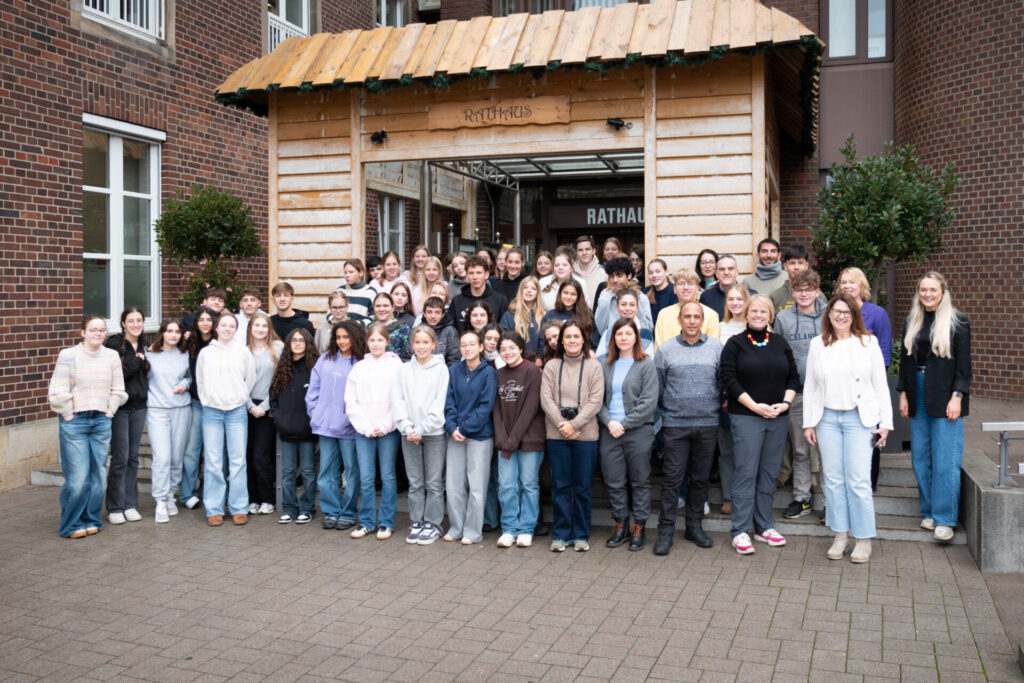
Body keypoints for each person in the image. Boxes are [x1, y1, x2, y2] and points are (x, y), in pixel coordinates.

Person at [804, 294, 892, 564]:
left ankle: (863, 539)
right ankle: (840, 535)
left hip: (858, 420)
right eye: (836, 311)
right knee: (832, 480)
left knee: (858, 481)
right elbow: (810, 386)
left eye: (846, 312)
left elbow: (880, 385)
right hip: (827, 419)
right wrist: (809, 421)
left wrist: (885, 423)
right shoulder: (818, 344)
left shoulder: (868, 342)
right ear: (828, 314)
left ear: (854, 315)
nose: (841, 316)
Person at [719, 294, 799, 554]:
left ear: (770, 315)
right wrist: (754, 406)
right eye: (753, 310)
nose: (757, 315)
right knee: (746, 472)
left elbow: (793, 377)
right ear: (746, 312)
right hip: (746, 416)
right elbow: (728, 379)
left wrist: (785, 404)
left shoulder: (779, 343)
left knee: (769, 472)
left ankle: (764, 525)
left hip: (777, 416)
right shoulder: (735, 344)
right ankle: (740, 530)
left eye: (763, 312)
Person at [897, 271, 971, 543]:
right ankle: (927, 512)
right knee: (920, 458)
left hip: (945, 393)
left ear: (943, 292)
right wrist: (903, 393)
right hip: (917, 392)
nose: (927, 294)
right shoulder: (912, 321)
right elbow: (905, 363)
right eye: (923, 290)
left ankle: (945, 519)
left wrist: (958, 395)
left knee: (945, 459)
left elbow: (964, 366)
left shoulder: (958, 321)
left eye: (933, 290)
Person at [48, 315, 128, 538]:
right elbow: (58, 388)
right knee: (78, 478)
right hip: (76, 422)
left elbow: (118, 389)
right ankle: (71, 525)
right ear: (83, 332)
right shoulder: (69, 355)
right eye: (93, 330)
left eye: (102, 330)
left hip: (102, 420)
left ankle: (91, 519)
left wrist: (110, 410)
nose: (98, 334)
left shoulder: (111, 356)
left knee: (98, 477)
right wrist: (67, 413)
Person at [652, 302, 722, 554]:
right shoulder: (666, 350)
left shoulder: (716, 348)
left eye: (696, 317)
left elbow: (722, 383)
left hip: (707, 424)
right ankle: (666, 530)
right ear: (679, 319)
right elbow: (658, 389)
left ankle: (694, 527)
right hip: (675, 426)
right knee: (672, 480)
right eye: (687, 317)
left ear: (703, 320)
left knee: (700, 479)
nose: (692, 321)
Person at [540, 320, 604, 552]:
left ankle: (581, 534)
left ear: (584, 340)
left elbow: (595, 401)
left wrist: (574, 424)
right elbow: (546, 398)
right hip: (557, 435)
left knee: (582, 487)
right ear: (561, 341)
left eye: (576, 337)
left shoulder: (593, 366)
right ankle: (561, 534)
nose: (572, 341)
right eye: (568, 337)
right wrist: (562, 424)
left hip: (585, 435)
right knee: (560, 486)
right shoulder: (551, 366)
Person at [599, 318, 658, 551]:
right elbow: (597, 400)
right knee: (614, 481)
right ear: (613, 338)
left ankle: (639, 527)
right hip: (609, 430)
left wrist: (623, 423)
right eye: (619, 334)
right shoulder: (605, 365)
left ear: (636, 337)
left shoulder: (646, 364)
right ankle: (620, 524)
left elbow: (649, 402)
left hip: (638, 431)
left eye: (628, 333)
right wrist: (609, 422)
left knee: (640, 480)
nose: (624, 338)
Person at [773, 270, 826, 520]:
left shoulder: (829, 315)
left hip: (827, 394)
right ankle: (802, 498)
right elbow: (778, 354)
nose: (803, 294)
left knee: (827, 451)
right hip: (797, 393)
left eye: (809, 289)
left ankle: (830, 502)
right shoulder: (783, 318)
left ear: (817, 291)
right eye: (799, 289)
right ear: (792, 292)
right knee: (800, 450)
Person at [196, 312, 256, 526]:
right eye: (224, 325)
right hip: (212, 411)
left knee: (238, 460)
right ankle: (214, 508)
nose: (228, 329)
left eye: (232, 326)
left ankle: (239, 506)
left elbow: (250, 379)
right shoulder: (206, 353)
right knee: (213, 462)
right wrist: (206, 400)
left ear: (236, 329)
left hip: (236, 411)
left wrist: (240, 397)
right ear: (217, 328)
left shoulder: (243, 352)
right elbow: (200, 381)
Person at [345, 323, 404, 539]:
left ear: (387, 341)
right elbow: (351, 401)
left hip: (388, 430)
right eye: (372, 340)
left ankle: (386, 523)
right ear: (367, 343)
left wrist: (386, 425)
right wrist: (367, 427)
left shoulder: (397, 366)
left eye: (380, 340)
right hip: (365, 431)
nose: (376, 344)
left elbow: (399, 398)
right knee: (367, 478)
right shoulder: (359, 368)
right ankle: (367, 522)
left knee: (388, 477)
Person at [393, 325, 450, 545]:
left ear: (433, 344)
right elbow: (397, 400)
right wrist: (408, 428)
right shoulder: (404, 369)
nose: (421, 346)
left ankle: (433, 524)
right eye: (418, 342)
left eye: (426, 342)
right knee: (415, 482)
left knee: (434, 482)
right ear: (412, 344)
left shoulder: (441, 369)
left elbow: (440, 403)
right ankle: (416, 521)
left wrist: (422, 428)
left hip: (433, 432)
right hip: (408, 434)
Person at [839, 266, 894, 492]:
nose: (847, 286)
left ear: (862, 286)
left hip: (869, 387)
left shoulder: (877, 313)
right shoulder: (836, 312)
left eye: (852, 282)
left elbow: (885, 352)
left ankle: (868, 485)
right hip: (841, 389)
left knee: (870, 435)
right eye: (843, 282)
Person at [307, 320, 364, 530]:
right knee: (327, 471)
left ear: (355, 337)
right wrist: (315, 413)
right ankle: (331, 510)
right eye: (338, 337)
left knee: (351, 471)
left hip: (349, 427)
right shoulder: (325, 358)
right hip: (325, 426)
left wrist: (352, 419)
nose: (342, 341)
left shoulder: (361, 362)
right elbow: (313, 389)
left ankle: (348, 512)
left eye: (346, 337)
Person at [444, 329, 498, 545]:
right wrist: (452, 427)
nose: (467, 348)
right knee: (454, 485)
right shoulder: (453, 370)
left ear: (481, 347)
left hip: (480, 436)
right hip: (455, 434)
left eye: (472, 344)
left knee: (477, 487)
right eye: (464, 345)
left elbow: (485, 408)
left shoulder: (488, 373)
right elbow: (448, 403)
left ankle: (473, 532)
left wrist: (465, 429)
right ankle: (456, 528)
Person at [493, 331, 546, 548]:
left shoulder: (532, 371)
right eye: (503, 349)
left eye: (512, 348)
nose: (508, 352)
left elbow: (530, 409)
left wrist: (512, 440)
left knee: (529, 484)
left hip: (529, 440)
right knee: (506, 485)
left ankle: (526, 529)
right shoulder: (498, 373)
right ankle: (509, 528)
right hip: (505, 442)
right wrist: (502, 437)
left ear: (521, 348)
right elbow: (495, 409)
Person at [270, 328, 319, 525]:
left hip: (307, 431)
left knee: (308, 471)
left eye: (302, 340)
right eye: (294, 340)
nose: (297, 343)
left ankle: (307, 508)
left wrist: (313, 422)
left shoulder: (314, 369)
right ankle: (289, 508)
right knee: (288, 471)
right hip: (287, 430)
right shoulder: (282, 369)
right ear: (288, 343)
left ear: (308, 344)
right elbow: (273, 399)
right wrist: (279, 419)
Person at [104, 307, 147, 525]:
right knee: (120, 457)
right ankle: (115, 506)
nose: (136, 324)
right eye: (131, 320)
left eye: (139, 320)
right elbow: (119, 373)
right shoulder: (113, 344)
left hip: (140, 407)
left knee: (132, 457)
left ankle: (130, 504)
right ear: (123, 323)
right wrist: (137, 361)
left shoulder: (146, 343)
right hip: (120, 407)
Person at [145, 320, 191, 524]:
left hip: (181, 408)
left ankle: (171, 494)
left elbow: (191, 377)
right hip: (157, 409)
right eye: (169, 331)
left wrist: (184, 384)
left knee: (176, 457)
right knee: (162, 457)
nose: (173, 335)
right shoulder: (150, 354)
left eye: (177, 332)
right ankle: (160, 500)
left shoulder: (185, 354)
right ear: (162, 333)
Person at [245, 312, 283, 516]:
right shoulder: (243, 351)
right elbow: (238, 382)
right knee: (248, 456)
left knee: (262, 456)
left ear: (269, 329)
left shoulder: (277, 348)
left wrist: (264, 406)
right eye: (256, 325)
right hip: (246, 407)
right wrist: (250, 405)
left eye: (264, 326)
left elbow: (279, 381)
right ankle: (253, 498)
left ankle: (267, 499)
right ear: (250, 327)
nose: (260, 329)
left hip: (267, 408)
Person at [180, 307, 215, 509]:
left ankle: (213, 493)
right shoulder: (190, 343)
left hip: (216, 404)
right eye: (201, 319)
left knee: (213, 452)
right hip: (196, 403)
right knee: (192, 450)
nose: (204, 323)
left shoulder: (219, 343)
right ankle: (187, 494)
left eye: (208, 319)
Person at [653, 268, 720, 348]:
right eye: (681, 283)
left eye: (690, 283)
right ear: (674, 289)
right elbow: (659, 350)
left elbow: (713, 349)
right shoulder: (663, 315)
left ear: (697, 289)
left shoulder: (711, 315)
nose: (686, 287)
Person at [593, 257, 653, 343]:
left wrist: (635, 305)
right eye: (611, 276)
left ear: (629, 276)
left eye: (619, 275)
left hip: (637, 345)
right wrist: (605, 299)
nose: (615, 280)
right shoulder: (605, 296)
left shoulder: (641, 298)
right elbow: (600, 330)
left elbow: (648, 330)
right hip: (611, 345)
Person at [450, 255, 509, 328]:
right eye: (471, 273)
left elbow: (504, 330)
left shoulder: (500, 300)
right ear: (467, 275)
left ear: (486, 275)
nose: (475, 277)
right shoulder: (457, 301)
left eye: (479, 273)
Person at [595, 289, 654, 361]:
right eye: (623, 304)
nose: (628, 308)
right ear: (617, 307)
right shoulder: (608, 333)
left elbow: (649, 362)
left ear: (637, 308)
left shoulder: (645, 333)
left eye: (632, 305)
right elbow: (599, 359)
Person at [769, 245, 825, 311]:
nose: (796, 267)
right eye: (792, 263)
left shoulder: (818, 295)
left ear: (806, 265)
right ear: (785, 266)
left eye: (800, 263)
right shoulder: (775, 296)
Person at [540, 279, 595, 345]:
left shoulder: (587, 314)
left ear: (578, 296)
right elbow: (542, 343)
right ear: (560, 293)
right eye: (565, 293)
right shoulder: (549, 315)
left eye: (573, 294)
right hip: (554, 354)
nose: (568, 297)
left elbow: (594, 342)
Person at [699, 254, 754, 319]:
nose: (726, 272)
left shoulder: (751, 295)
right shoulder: (706, 297)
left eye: (730, 269)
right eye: (722, 269)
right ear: (717, 274)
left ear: (737, 272)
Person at [500, 276, 545, 354]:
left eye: (533, 289)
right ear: (521, 291)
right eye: (525, 287)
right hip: (513, 360)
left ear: (537, 293)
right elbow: (503, 340)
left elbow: (544, 343)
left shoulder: (543, 316)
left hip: (535, 362)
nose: (529, 291)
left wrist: (539, 357)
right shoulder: (509, 315)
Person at [367, 292, 412, 362]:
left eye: (386, 306)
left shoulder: (402, 328)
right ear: (373, 308)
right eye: (378, 306)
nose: (381, 309)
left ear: (392, 307)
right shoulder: (369, 328)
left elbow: (407, 356)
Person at [421, 296, 460, 365]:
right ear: (424, 314)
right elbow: (408, 358)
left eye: (437, 312)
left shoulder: (450, 332)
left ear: (442, 315)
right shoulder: (417, 331)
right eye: (429, 312)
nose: (433, 316)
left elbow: (454, 361)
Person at [337, 258, 376, 325]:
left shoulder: (370, 292)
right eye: (345, 272)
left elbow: (373, 317)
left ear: (360, 273)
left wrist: (355, 325)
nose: (347, 275)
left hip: (362, 332)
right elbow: (330, 312)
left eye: (351, 272)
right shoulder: (340, 291)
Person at [572, 235, 605, 308]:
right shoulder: (570, 274)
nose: (584, 253)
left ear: (594, 251)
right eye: (580, 250)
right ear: (576, 252)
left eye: (587, 249)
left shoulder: (603, 274)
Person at [644, 258, 677, 325]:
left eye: (658, 271)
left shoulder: (675, 291)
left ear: (667, 272)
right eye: (650, 273)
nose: (654, 275)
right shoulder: (645, 292)